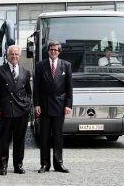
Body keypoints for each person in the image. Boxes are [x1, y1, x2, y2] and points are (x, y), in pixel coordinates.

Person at [33, 41, 73, 173]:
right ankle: (45, 164)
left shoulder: (66, 66)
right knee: (44, 136)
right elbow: (36, 88)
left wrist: (68, 105)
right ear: (48, 51)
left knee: (58, 136)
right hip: (43, 106)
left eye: (55, 50)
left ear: (59, 51)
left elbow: (69, 88)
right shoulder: (40, 66)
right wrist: (36, 104)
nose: (53, 51)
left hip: (59, 106)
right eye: (51, 49)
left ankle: (58, 164)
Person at [0, 45, 32, 176]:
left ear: (20, 56)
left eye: (16, 54)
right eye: (12, 54)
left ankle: (18, 165)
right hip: (6, 110)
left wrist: (28, 105)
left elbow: (28, 92)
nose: (14, 56)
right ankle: (3, 166)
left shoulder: (25, 71)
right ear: (7, 55)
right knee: (4, 139)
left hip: (21, 111)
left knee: (20, 140)